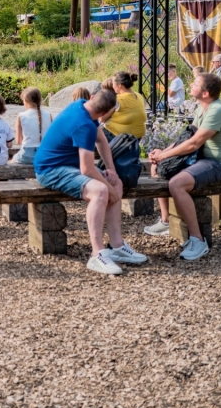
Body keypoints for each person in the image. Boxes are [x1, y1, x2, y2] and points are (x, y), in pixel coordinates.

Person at [33, 88, 148, 275]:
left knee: (116, 182)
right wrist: (109, 188)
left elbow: (102, 142)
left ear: (92, 98)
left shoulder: (81, 105)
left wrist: (111, 171)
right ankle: (97, 254)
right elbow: (87, 168)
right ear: (105, 113)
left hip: (69, 166)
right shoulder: (84, 125)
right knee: (100, 191)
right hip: (51, 170)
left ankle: (117, 246)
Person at [145, 73, 221, 260]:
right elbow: (187, 139)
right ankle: (166, 220)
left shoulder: (216, 110)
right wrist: (161, 154)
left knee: (177, 184)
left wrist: (165, 154)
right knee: (157, 167)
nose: (190, 84)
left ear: (205, 93)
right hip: (205, 159)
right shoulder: (202, 108)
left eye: (195, 83)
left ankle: (198, 240)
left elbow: (194, 144)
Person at [11, 87, 51, 166]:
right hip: (45, 154)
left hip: (27, 154)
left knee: (12, 161)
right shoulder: (48, 115)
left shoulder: (21, 116)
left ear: (25, 101)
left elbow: (19, 141)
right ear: (40, 100)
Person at [100, 73, 146, 140]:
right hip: (138, 136)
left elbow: (101, 119)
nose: (112, 86)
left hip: (120, 137)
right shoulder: (139, 96)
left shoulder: (117, 99)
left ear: (120, 86)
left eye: (113, 84)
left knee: (95, 133)